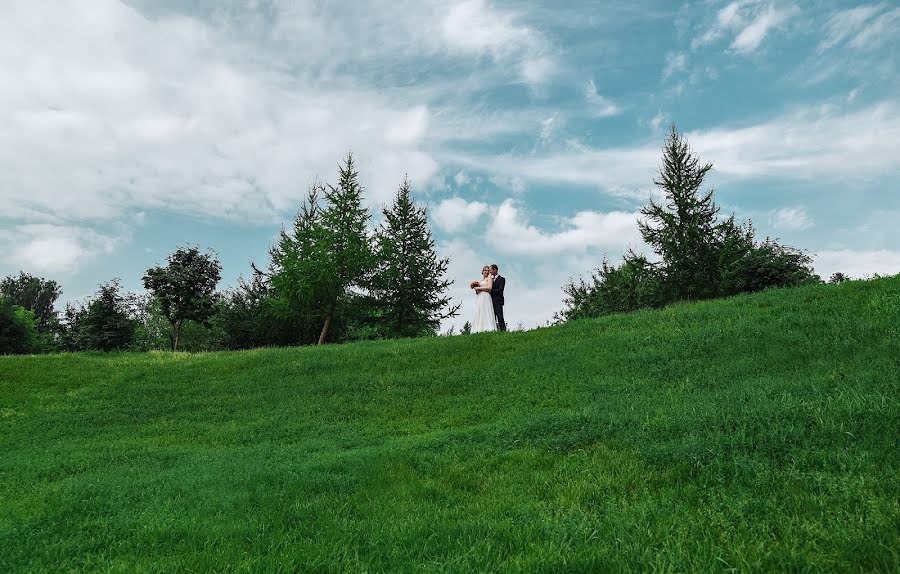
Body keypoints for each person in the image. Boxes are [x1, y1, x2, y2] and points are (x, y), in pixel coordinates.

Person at [470, 265, 498, 333]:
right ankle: (479, 329)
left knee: (486, 311)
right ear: (482, 271)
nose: (487, 272)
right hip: (480, 297)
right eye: (485, 270)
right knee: (480, 311)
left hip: (486, 297)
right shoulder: (481, 280)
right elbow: (478, 291)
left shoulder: (489, 278)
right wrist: (476, 289)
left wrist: (478, 288)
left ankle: (488, 328)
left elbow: (489, 288)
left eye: (488, 271)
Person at [489, 263, 506, 331]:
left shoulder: (502, 279)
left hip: (498, 301)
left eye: (490, 270)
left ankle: (503, 330)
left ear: (495, 269)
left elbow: (500, 289)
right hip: (490, 301)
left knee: (500, 317)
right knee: (492, 317)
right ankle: (493, 330)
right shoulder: (490, 279)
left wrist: (491, 291)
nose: (489, 272)